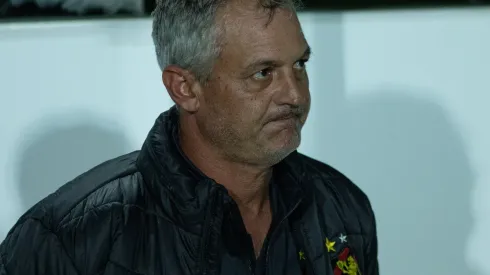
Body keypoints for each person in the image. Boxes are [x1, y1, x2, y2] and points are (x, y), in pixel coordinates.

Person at [0, 0, 379, 274]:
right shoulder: (72, 238)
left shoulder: (340, 205)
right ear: (184, 87)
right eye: (263, 73)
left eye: (299, 65)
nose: (295, 95)